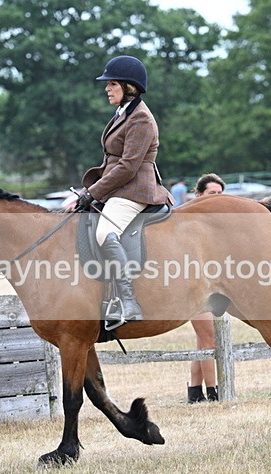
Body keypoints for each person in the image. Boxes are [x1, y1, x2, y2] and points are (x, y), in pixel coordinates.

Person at [77, 55, 173, 326]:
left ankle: (128, 302)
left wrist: (93, 192)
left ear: (129, 86)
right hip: (119, 187)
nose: (107, 88)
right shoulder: (124, 113)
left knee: (104, 231)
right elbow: (112, 160)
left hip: (135, 190)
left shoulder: (141, 119)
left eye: (113, 84)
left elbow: (128, 167)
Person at [186, 173, 226, 403]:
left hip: (212, 286)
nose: (217, 198)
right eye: (212, 193)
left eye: (221, 194)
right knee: (209, 336)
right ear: (200, 195)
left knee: (204, 338)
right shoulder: (191, 222)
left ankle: (194, 391)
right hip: (194, 286)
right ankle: (213, 392)